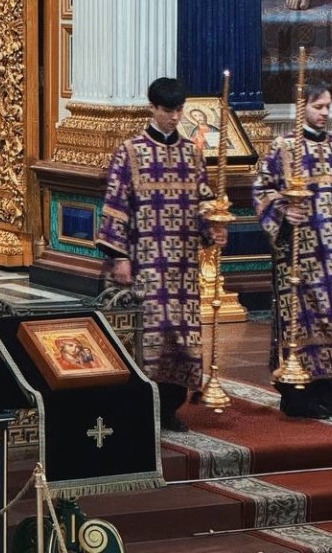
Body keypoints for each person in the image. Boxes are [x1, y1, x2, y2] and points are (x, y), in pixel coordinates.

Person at [96, 77, 228, 432]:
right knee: (148, 336)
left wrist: (213, 227)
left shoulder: (191, 153)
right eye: (168, 110)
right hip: (146, 263)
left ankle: (170, 408)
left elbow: (203, 201)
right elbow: (116, 205)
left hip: (183, 266)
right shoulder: (130, 151)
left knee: (180, 337)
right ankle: (141, 408)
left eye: (179, 110)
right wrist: (120, 257)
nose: (175, 117)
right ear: (152, 108)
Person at [253, 79, 332, 419]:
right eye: (317, 106)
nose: (324, 113)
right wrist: (283, 211)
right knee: (302, 322)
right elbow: (262, 189)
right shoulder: (283, 148)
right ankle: (300, 397)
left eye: (327, 107)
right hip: (298, 252)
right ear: (302, 107)